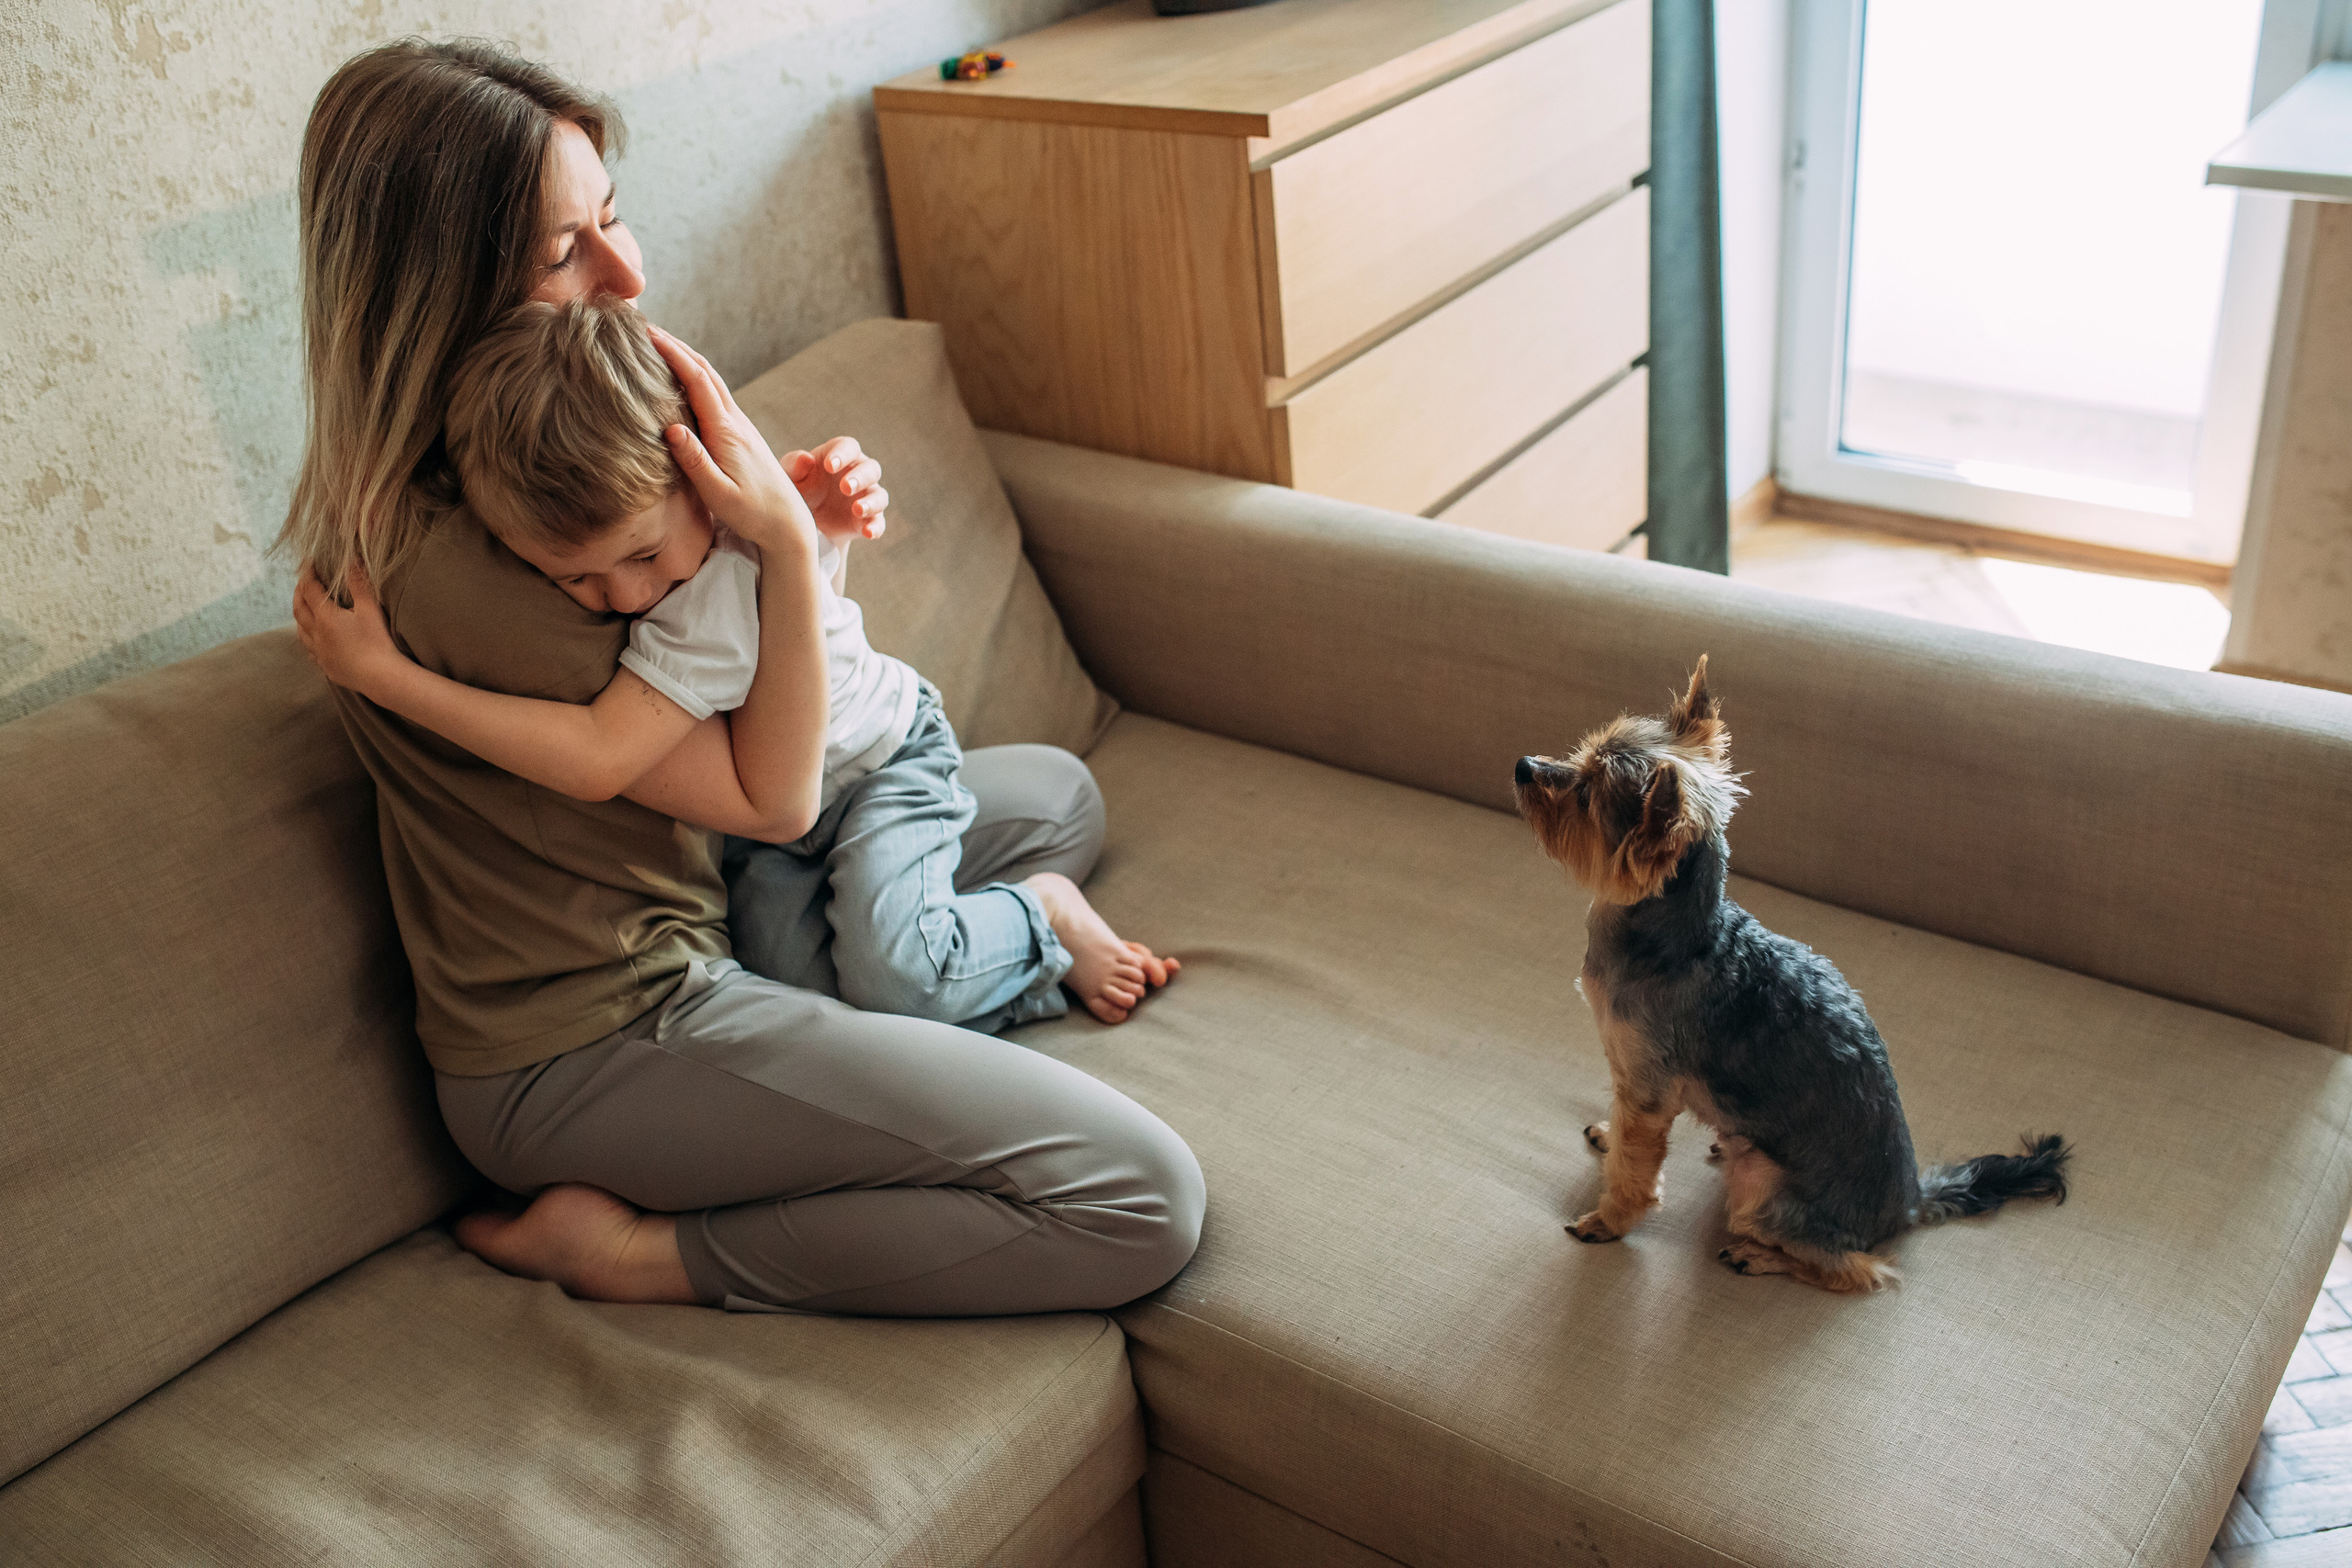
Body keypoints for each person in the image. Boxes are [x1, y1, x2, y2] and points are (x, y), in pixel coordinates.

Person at [277, 39, 1203, 1314]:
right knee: (1138, 1191)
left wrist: (799, 519)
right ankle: (633, 1255)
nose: (629, 274)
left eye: (610, 221)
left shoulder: (552, 453)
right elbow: (770, 799)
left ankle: (961, 917)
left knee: (1054, 795)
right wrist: (774, 533)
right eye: (565, 254)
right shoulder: (487, 562)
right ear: (432, 297)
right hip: (606, 1027)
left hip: (709, 886)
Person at [299, 296, 1174, 1027]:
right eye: (573, 577)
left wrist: (386, 678)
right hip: (780, 835)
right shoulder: (734, 529)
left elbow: (598, 755)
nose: (624, 596)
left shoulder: (723, 581)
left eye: (641, 556)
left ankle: (1041, 915)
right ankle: (989, 955)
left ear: (703, 476)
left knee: (895, 977)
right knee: (809, 1000)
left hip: (882, 766)